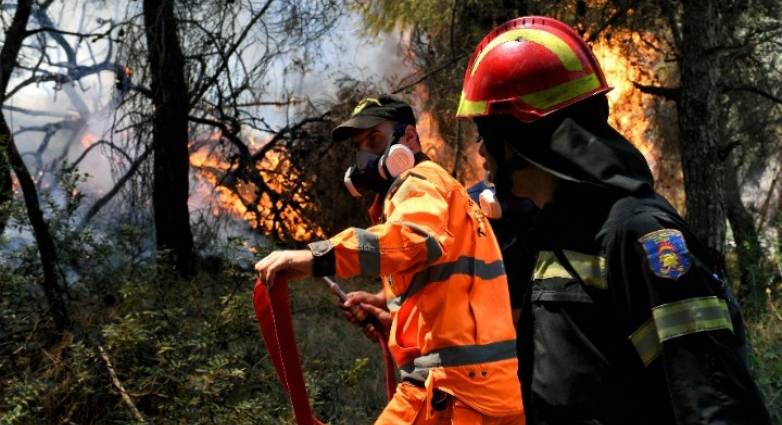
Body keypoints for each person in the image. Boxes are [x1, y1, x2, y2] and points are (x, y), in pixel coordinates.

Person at [455, 16, 772, 425]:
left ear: (524, 138)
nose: (480, 151)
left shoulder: (639, 234)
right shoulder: (553, 234)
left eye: (485, 132)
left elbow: (715, 403)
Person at [255, 94, 525, 424]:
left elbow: (414, 240)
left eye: (375, 140)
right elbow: (443, 287)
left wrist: (316, 257)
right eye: (360, 145)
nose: (366, 153)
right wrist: (387, 310)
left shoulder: (417, 181)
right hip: (485, 388)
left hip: (450, 389)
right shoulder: (442, 188)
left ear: (409, 138)